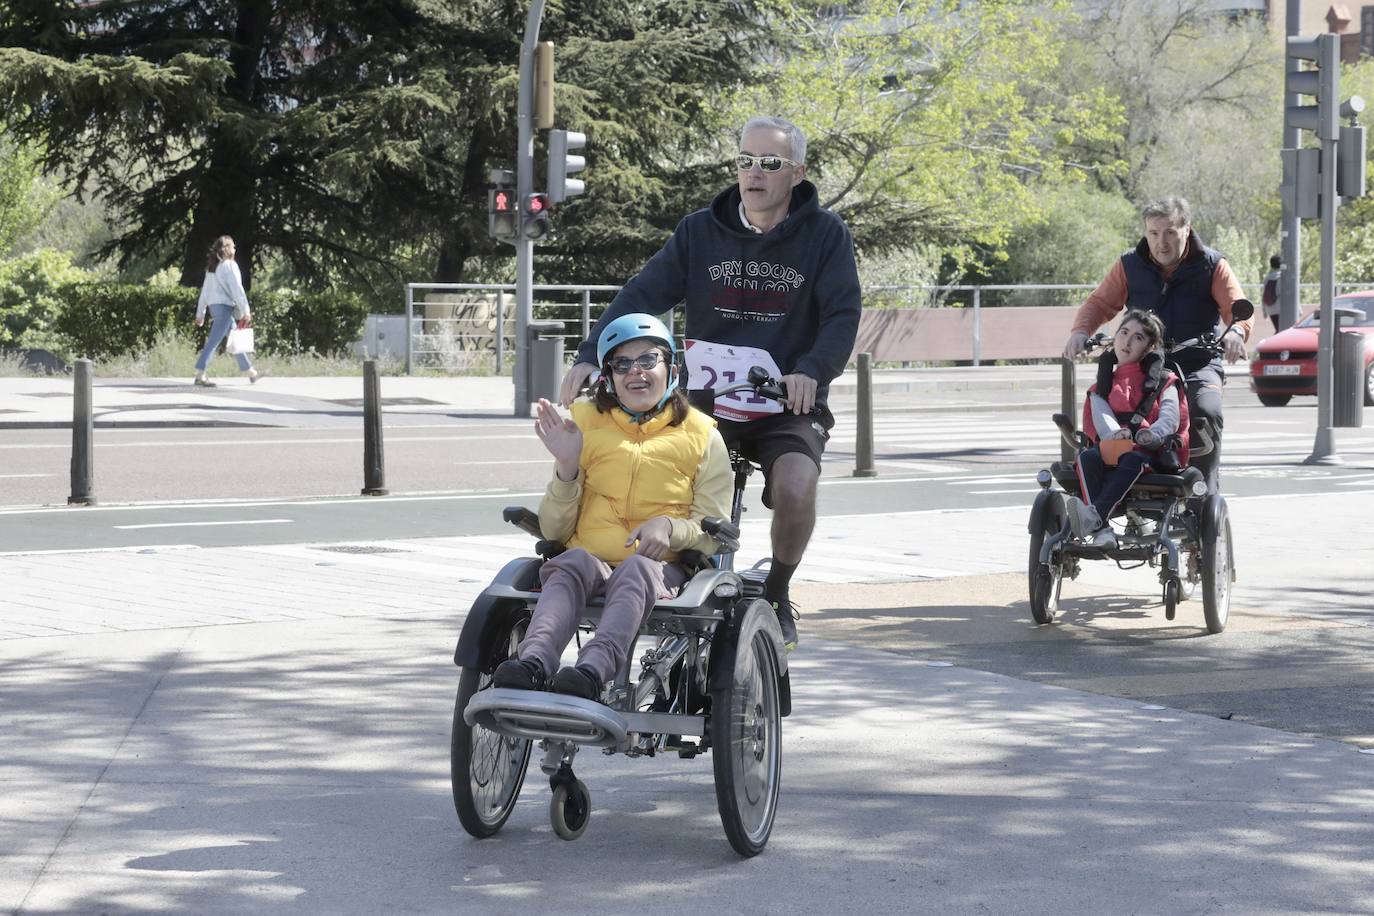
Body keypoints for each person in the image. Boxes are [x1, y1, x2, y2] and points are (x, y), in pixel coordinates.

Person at [556, 116, 863, 650]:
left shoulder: (826, 236)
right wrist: (589, 353)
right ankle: (663, 574)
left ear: (797, 173)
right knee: (640, 466)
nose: (754, 174)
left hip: (784, 401)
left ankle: (776, 591)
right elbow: (642, 294)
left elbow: (842, 315)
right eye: (745, 161)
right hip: (705, 402)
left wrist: (812, 370)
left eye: (770, 164)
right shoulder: (700, 231)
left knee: (795, 488)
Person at [493, 314, 732, 700]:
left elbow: (711, 530)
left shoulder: (703, 435)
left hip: (663, 568)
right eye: (622, 364)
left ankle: (591, 671)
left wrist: (669, 527)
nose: (635, 372)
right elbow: (554, 532)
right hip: (591, 559)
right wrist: (568, 468)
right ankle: (533, 663)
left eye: (647, 360)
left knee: (638, 567)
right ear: (609, 376)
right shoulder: (585, 424)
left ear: (670, 367)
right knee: (570, 562)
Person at [1062, 197, 1250, 495]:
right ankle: (1105, 490)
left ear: (1186, 230)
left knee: (1206, 410)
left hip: (1196, 362)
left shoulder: (1212, 265)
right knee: (1108, 409)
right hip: (1142, 366)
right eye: (1153, 233)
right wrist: (1080, 331)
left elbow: (1235, 307)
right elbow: (1099, 302)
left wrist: (1236, 332)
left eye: (1170, 232)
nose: (1161, 242)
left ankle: (1202, 494)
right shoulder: (1129, 265)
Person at [1065, 310, 1189, 549]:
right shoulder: (1101, 386)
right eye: (1123, 333)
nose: (1127, 341)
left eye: (1138, 337)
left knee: (1132, 459)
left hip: (1148, 452)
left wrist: (1151, 434)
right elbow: (1101, 416)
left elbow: (1171, 417)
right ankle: (1102, 529)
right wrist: (1114, 434)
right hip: (1112, 447)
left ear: (1149, 347)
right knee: (1087, 457)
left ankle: (1096, 518)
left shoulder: (1165, 381)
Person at [194, 235, 259, 386]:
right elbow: (237, 289)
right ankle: (200, 373)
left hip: (215, 308)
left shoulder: (212, 269)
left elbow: (205, 293)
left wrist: (200, 313)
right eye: (233, 246)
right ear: (228, 249)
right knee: (213, 341)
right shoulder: (229, 265)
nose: (235, 249)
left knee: (234, 338)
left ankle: (250, 371)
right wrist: (245, 310)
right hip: (224, 308)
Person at [1261, 254, 1282, 334]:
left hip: (1270, 308)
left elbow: (1264, 295)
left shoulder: (1267, 278)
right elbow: (1287, 295)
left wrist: (1264, 312)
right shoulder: (1283, 277)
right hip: (1282, 309)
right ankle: (1273, 345)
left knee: (1278, 330)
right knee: (1282, 331)